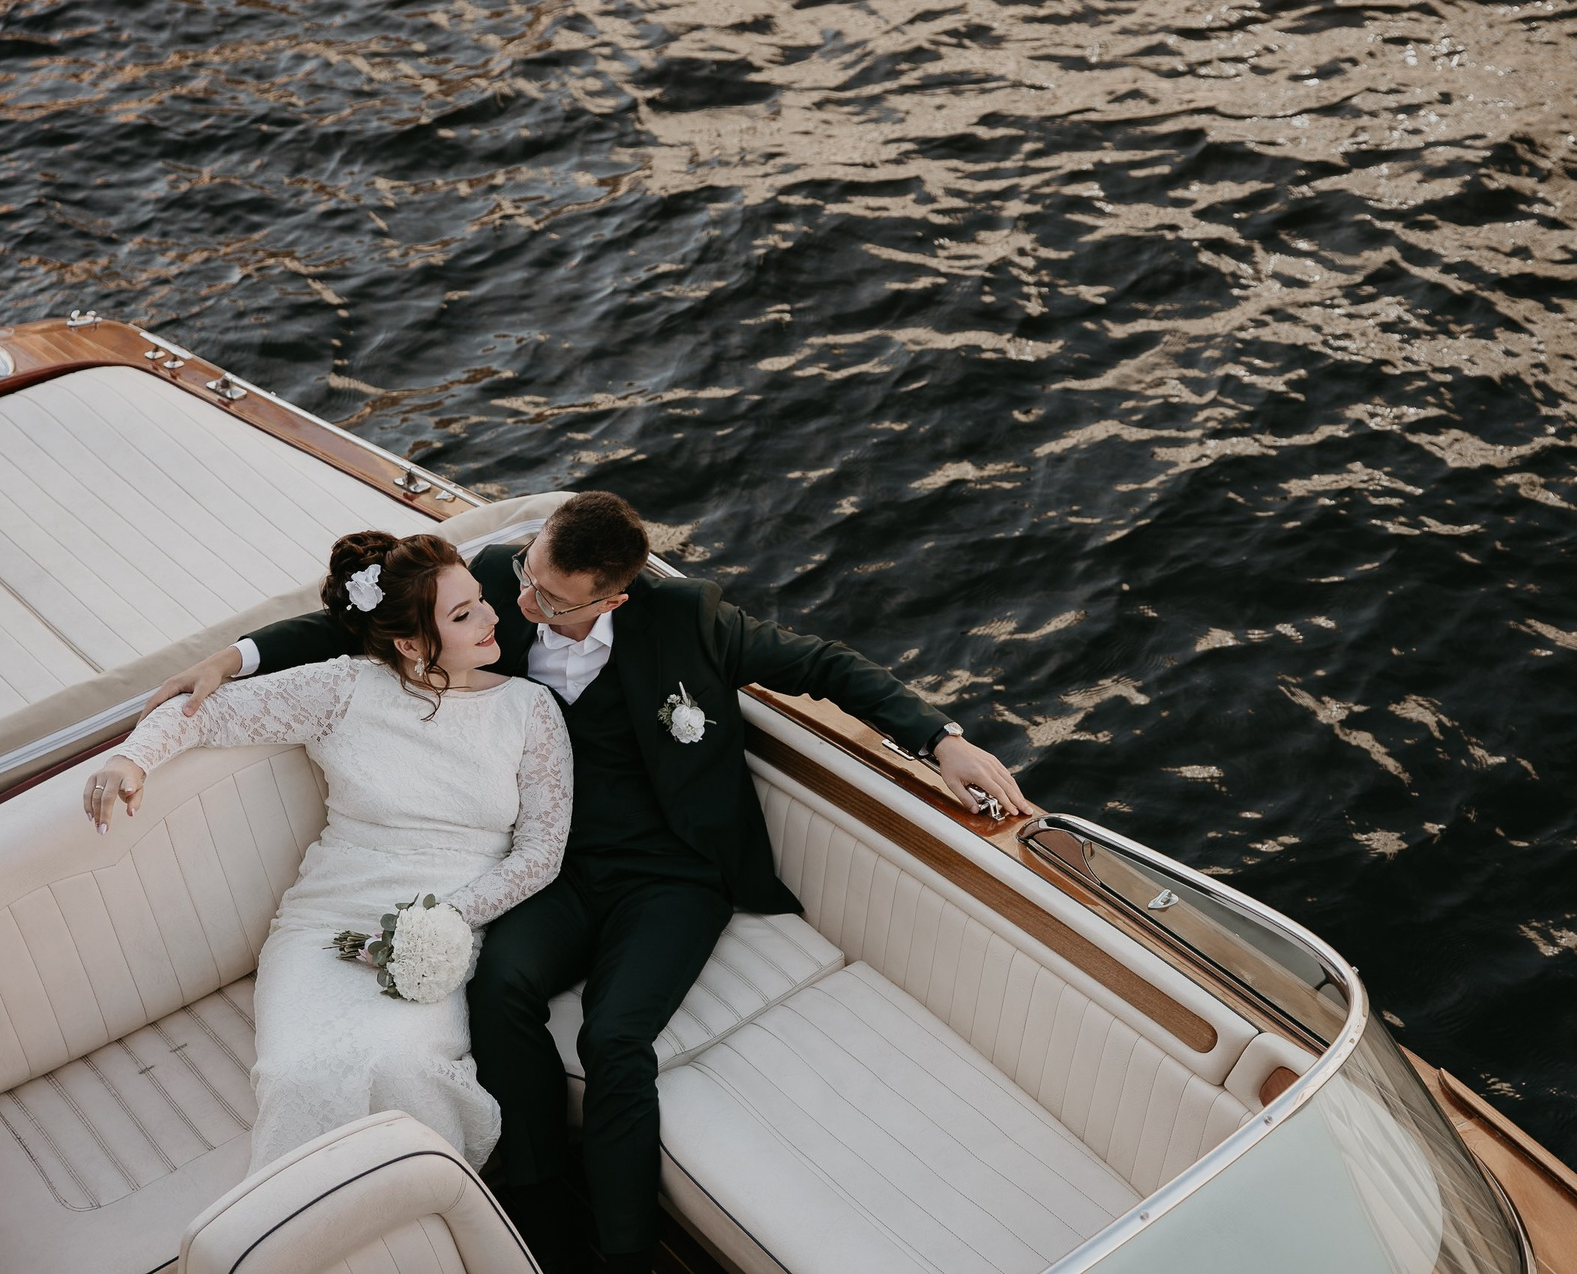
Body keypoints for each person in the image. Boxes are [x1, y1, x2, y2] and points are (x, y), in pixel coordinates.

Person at [146, 491, 1030, 1272]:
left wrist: (943, 740)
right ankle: (539, 1214)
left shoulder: (692, 620)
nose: (522, 603)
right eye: (526, 578)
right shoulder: (505, 584)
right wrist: (233, 659)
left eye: (550, 598)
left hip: (673, 877)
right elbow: (359, 627)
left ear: (614, 597)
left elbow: (825, 665)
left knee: (613, 1039)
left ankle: (626, 1254)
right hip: (557, 868)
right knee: (498, 988)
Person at [88, 531, 571, 1175]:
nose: (491, 617)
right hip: (328, 923)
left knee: (405, 1065)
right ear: (409, 644)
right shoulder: (346, 688)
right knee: (296, 1075)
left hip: (445, 929)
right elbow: (202, 714)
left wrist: (441, 922)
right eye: (463, 615)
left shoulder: (530, 709)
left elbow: (541, 852)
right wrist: (132, 759)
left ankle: (422, 1212)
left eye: (481, 599)